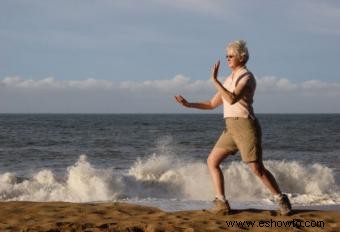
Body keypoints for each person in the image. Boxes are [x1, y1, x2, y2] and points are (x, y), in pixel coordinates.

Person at [174, 40, 292, 215]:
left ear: (242, 57)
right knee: (212, 162)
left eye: (231, 56)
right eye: (226, 56)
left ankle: (281, 200)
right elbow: (211, 104)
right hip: (230, 127)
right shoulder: (229, 79)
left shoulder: (246, 77)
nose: (227, 59)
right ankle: (221, 203)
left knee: (256, 168)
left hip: (245, 125)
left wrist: (214, 80)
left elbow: (231, 99)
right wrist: (189, 104)